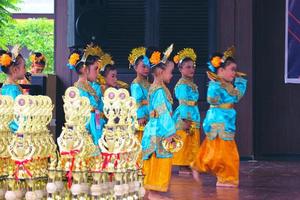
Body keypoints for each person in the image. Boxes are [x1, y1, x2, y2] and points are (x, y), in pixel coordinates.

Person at [191, 46, 247, 187]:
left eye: (235, 69)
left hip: (227, 119)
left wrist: (240, 82)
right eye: (232, 69)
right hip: (218, 120)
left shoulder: (229, 85)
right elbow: (211, 100)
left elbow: (237, 97)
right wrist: (215, 84)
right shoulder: (216, 85)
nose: (234, 72)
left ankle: (200, 166)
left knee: (218, 150)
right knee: (226, 151)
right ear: (221, 71)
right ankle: (225, 177)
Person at [172, 48, 200, 174]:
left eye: (192, 67)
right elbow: (183, 103)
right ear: (181, 69)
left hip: (193, 113)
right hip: (186, 114)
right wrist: (185, 119)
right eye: (187, 67)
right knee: (185, 138)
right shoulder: (182, 84)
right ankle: (183, 164)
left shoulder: (191, 83)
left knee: (191, 139)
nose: (191, 69)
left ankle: (189, 163)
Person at [129, 47, 151, 141]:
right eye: (143, 66)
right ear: (135, 67)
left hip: (149, 114)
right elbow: (136, 102)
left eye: (147, 66)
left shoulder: (148, 83)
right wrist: (140, 116)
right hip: (142, 118)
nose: (146, 69)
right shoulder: (136, 84)